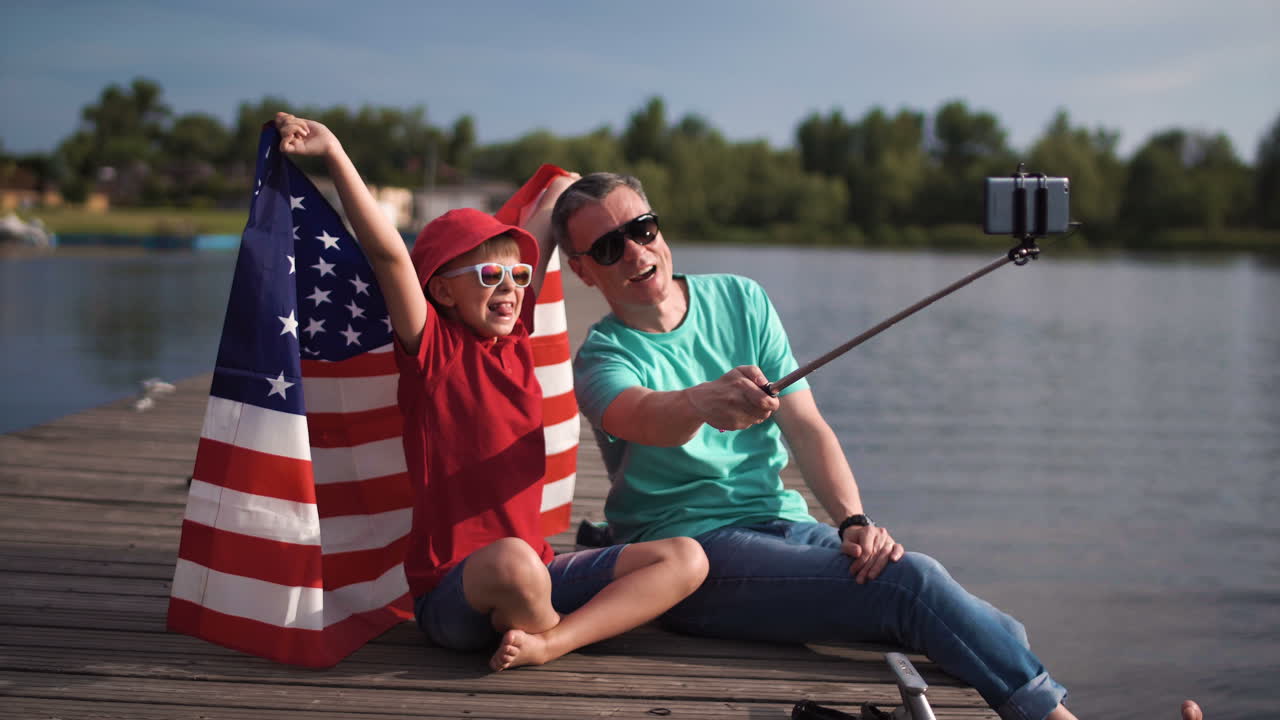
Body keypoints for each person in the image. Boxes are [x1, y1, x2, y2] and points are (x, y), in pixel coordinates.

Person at [554, 172, 1203, 720]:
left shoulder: (741, 298)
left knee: (949, 600)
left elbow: (806, 426)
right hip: (689, 556)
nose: (637, 252)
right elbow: (639, 416)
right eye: (609, 247)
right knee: (911, 587)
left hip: (783, 524)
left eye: (642, 228)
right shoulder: (603, 355)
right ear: (582, 270)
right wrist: (699, 401)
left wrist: (854, 521)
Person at [274, 116, 708, 672]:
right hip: (456, 593)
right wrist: (334, 153)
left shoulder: (516, 336)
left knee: (686, 556)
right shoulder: (432, 349)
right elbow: (386, 256)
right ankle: (557, 629)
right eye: (489, 277)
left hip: (537, 569)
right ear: (441, 291)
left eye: (518, 278)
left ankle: (550, 638)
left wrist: (556, 192)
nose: (509, 290)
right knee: (511, 562)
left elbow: (543, 239)